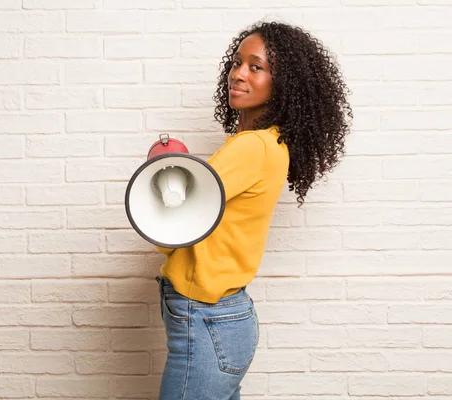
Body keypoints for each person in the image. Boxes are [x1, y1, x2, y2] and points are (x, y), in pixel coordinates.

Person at [153, 21, 353, 400]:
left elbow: (170, 228)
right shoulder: (269, 144)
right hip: (224, 319)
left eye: (256, 67)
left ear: (284, 83)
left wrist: (163, 174)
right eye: (236, 62)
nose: (239, 74)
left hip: (207, 317)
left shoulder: (252, 148)